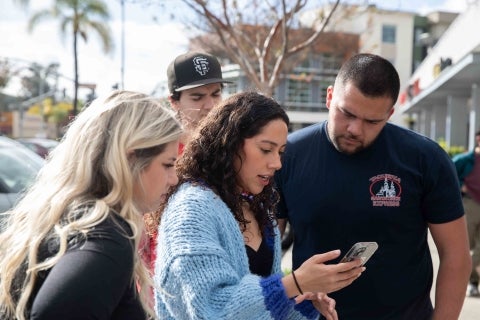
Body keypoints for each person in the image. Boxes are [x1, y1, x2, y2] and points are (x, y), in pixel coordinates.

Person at [275, 53, 471, 319]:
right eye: (347, 113)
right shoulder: (287, 156)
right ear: (330, 97)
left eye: (371, 121)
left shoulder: (425, 159)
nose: (355, 129)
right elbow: (266, 253)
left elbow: (456, 256)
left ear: (389, 114)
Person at [154, 91, 365, 320]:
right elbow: (211, 309)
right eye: (266, 149)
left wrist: (304, 302)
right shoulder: (190, 209)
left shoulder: (258, 208)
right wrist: (294, 283)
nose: (276, 163)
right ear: (229, 143)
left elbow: (263, 309)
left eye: (281, 152)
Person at [0, 90, 182, 320]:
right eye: (168, 164)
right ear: (129, 160)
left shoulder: (72, 216)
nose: (174, 179)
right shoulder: (106, 237)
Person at [142, 50, 231, 271]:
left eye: (216, 94)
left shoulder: (232, 149)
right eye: (197, 97)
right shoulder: (156, 152)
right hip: (163, 271)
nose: (210, 105)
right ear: (174, 101)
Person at [453, 129, 480, 297]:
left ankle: (473, 281)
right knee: (465, 246)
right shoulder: (464, 160)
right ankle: (467, 280)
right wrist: (460, 185)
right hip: (469, 204)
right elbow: (445, 175)